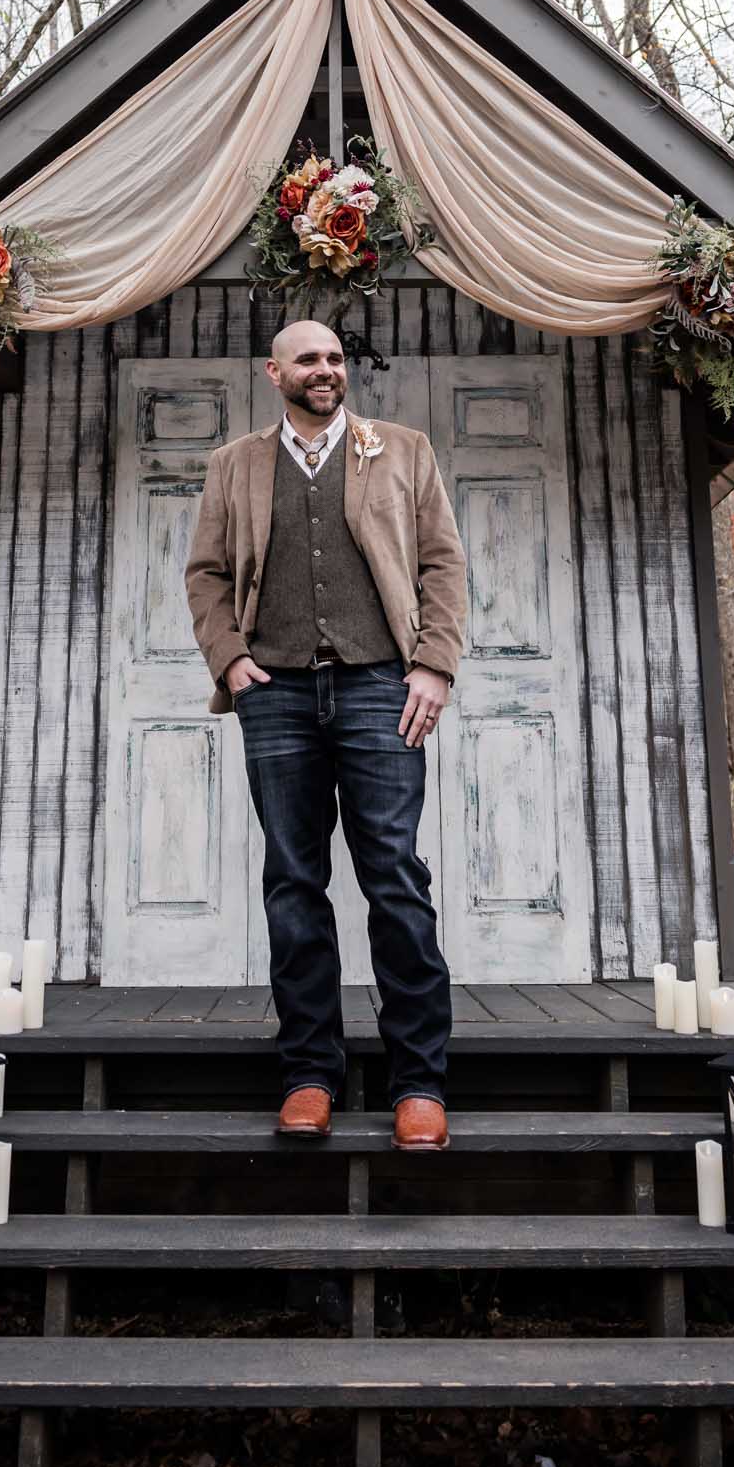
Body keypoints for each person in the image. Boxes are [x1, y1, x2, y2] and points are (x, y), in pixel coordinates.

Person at [184, 320, 467, 1148]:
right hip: (274, 694)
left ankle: (419, 1083)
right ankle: (310, 1073)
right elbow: (204, 573)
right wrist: (230, 660)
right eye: (308, 358)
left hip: (383, 685)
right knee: (293, 884)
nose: (325, 370)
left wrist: (434, 666)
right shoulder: (234, 464)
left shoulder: (403, 450)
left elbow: (442, 563)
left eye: (336, 358)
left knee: (394, 879)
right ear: (273, 371)